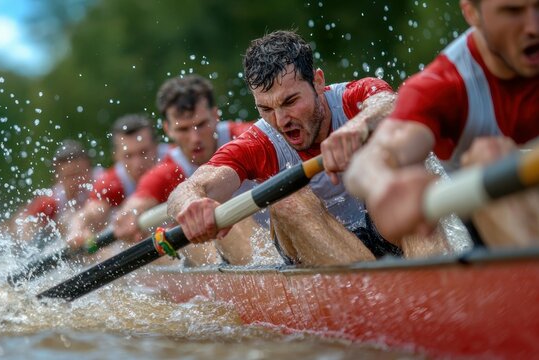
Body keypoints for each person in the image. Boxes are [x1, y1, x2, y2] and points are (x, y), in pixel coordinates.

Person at [167, 30, 402, 266]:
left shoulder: (357, 96)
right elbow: (189, 188)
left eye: (290, 102)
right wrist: (191, 205)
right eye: (266, 109)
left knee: (404, 170)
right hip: (313, 249)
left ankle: (433, 277)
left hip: (386, 226)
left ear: (318, 82)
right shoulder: (258, 142)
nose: (281, 121)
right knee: (286, 199)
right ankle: (375, 288)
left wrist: (360, 125)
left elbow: (391, 104)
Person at [344, 0, 539, 250]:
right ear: (471, 13)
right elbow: (370, 161)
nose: (533, 27)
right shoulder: (444, 86)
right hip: (507, 233)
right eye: (512, 11)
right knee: (487, 154)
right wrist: (382, 185)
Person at [112, 75, 258, 265]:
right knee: (188, 233)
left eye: (201, 124)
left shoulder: (248, 136)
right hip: (235, 250)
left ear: (216, 115)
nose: (195, 138)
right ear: (168, 129)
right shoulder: (168, 169)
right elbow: (137, 203)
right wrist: (128, 216)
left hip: (275, 234)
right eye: (183, 129)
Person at [66, 114, 163, 247]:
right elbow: (91, 212)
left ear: (156, 146)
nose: (138, 163)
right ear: (116, 156)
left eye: (143, 152)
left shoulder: (174, 162)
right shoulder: (112, 181)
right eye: (128, 156)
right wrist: (77, 229)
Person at [6, 139, 99, 246]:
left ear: (90, 168)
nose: (76, 181)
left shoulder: (104, 182)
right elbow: (21, 223)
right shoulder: (52, 201)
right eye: (69, 176)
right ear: (58, 178)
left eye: (80, 174)